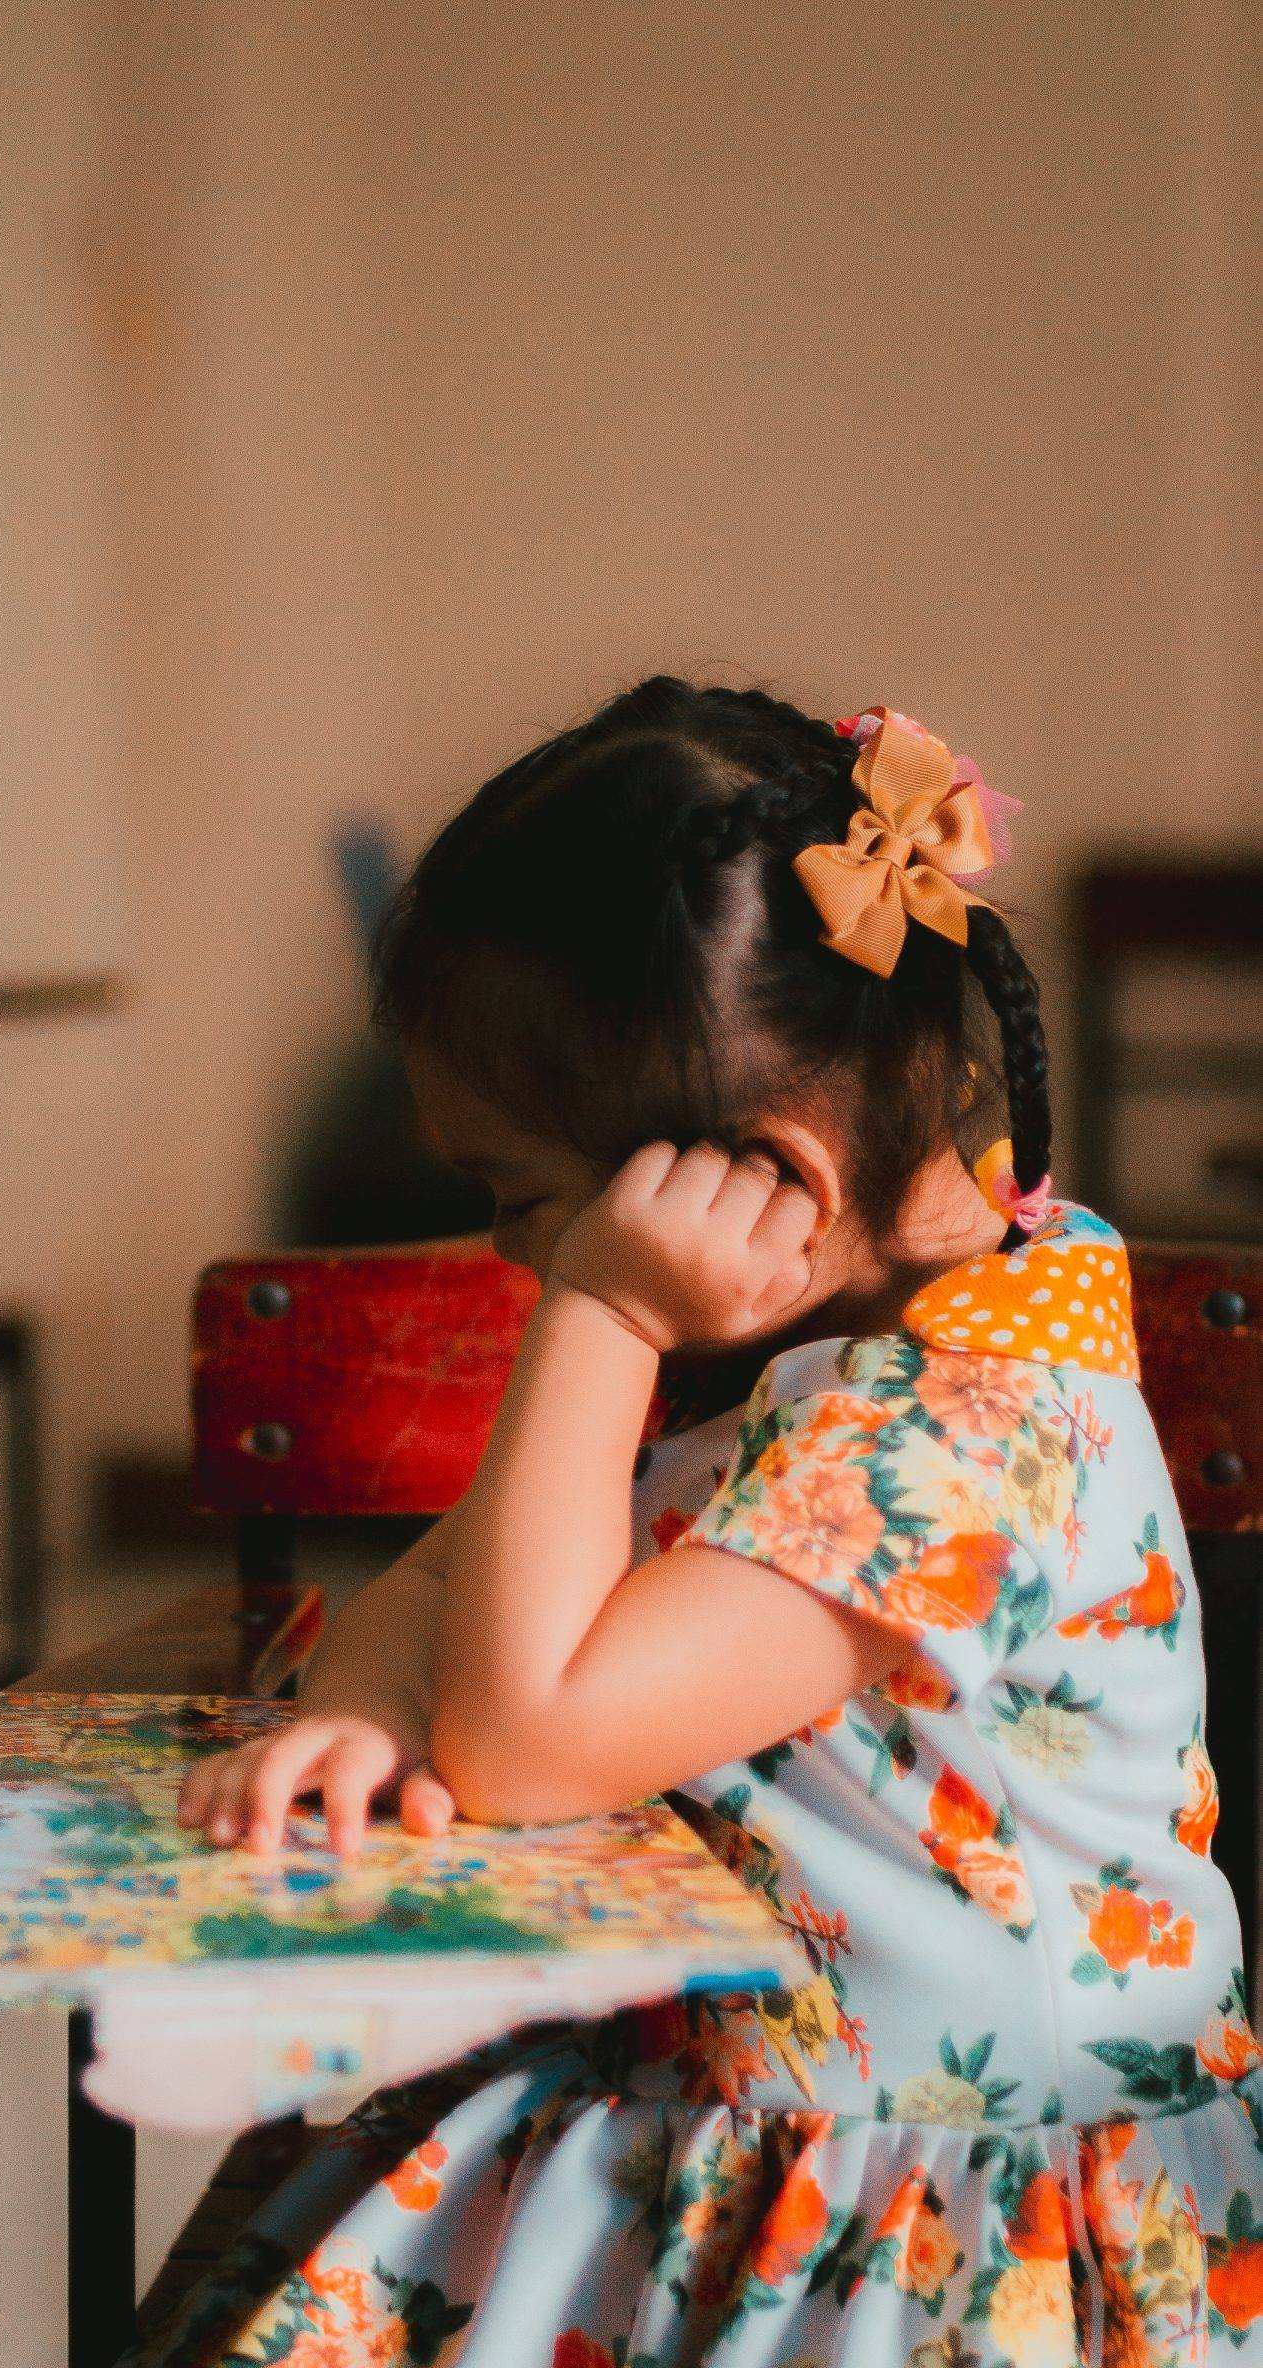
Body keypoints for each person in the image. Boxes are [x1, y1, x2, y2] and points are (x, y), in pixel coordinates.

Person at [139, 681, 1263, 2366]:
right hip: (718, 2117)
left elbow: (523, 1742)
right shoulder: (828, 1330)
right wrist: (367, 1707)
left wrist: (598, 1314)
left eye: (526, 1202)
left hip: (935, 2230)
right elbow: (448, 1574)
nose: (516, 1258)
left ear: (766, 1188)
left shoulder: (956, 1440)